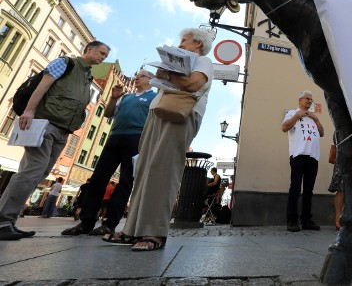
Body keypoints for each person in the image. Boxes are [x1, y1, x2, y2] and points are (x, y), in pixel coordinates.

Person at [105, 28, 214, 251]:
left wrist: (168, 73)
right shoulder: (184, 60)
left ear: (198, 44)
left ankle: (155, 232)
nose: (180, 44)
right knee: (144, 169)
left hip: (182, 113)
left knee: (163, 170)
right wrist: (162, 75)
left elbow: (193, 84)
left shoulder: (203, 61)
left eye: (184, 41)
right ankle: (132, 229)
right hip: (158, 111)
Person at [0, 41, 110, 241]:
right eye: (101, 53)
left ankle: (9, 221)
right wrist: (29, 111)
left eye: (105, 55)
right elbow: (42, 86)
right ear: (90, 49)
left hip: (63, 131)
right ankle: (3, 220)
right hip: (45, 124)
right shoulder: (65, 63)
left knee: (39, 172)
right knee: (32, 170)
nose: (103, 58)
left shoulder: (87, 77)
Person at [61, 69, 156, 236]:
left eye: (140, 76)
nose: (136, 79)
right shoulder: (126, 97)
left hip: (136, 139)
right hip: (115, 137)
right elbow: (108, 113)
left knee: (126, 181)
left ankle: (110, 223)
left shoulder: (153, 97)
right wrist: (113, 97)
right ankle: (86, 221)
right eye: (136, 76)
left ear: (150, 80)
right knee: (98, 178)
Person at [282, 90, 324, 232]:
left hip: (313, 156)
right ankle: (292, 220)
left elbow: (322, 133)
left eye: (311, 99)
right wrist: (296, 116)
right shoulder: (292, 113)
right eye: (307, 98)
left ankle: (306, 220)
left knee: (308, 190)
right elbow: (284, 127)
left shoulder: (313, 117)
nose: (310, 101)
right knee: (295, 188)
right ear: (300, 99)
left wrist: (317, 119)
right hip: (298, 154)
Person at [328, 134, 343, 231]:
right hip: (342, 158)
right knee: (341, 189)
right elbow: (336, 138)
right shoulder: (341, 127)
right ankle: (338, 219)